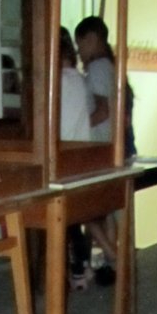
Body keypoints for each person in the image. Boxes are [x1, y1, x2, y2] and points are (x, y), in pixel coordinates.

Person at [74, 15, 137, 286]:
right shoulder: (111, 66)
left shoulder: (99, 68)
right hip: (113, 147)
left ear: (91, 39)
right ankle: (114, 261)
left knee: (83, 208)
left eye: (80, 44)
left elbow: (102, 111)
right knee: (108, 210)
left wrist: (78, 126)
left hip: (100, 148)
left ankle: (115, 257)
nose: (79, 51)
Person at [59, 26, 94, 291]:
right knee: (74, 223)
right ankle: (82, 266)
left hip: (63, 157)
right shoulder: (81, 80)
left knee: (68, 223)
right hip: (81, 156)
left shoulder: (57, 82)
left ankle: (78, 269)